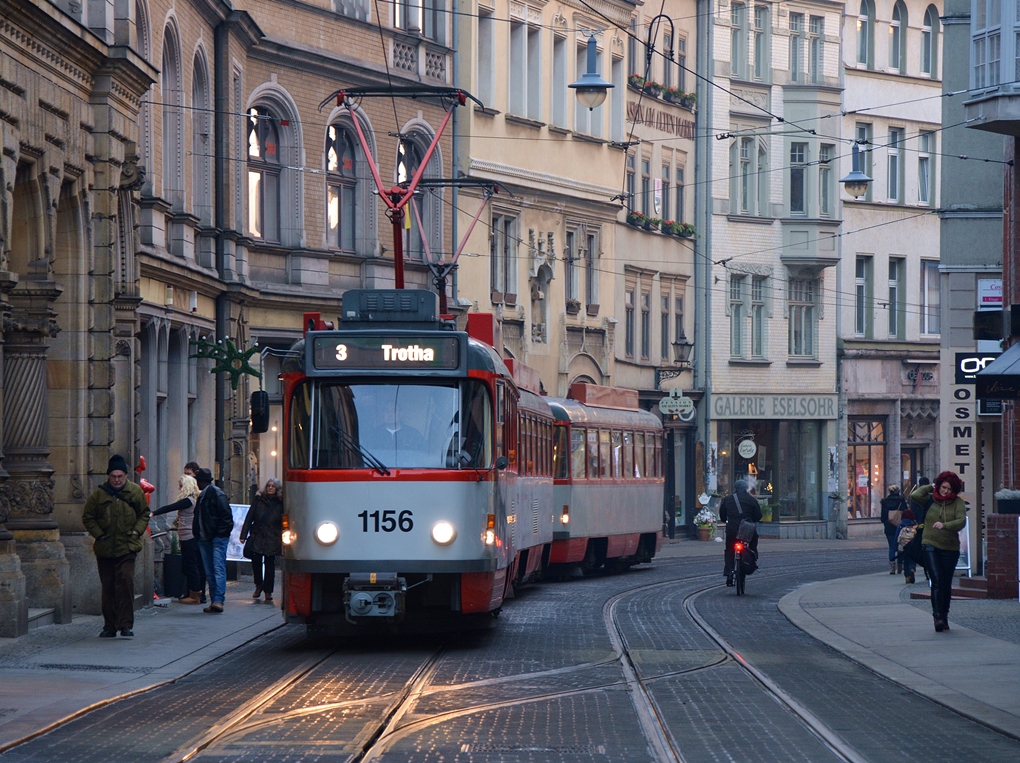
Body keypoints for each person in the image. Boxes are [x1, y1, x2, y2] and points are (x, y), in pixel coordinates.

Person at [82, 454, 151, 638]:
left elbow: (144, 513)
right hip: (105, 548)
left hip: (127, 546)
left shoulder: (134, 491)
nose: (117, 480)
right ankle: (109, 626)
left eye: (120, 476)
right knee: (108, 587)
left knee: (125, 583)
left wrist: (136, 531)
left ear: (126, 476)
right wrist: (99, 534)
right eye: (113, 476)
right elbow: (88, 517)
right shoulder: (99, 494)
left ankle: (126, 624)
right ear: (109, 476)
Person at [911, 471, 967, 633]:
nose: (945, 491)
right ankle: (937, 617)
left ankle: (944, 615)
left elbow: (961, 521)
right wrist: (931, 486)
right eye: (943, 487)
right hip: (930, 544)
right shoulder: (930, 499)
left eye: (949, 489)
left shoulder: (957, 503)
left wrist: (945, 526)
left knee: (945, 583)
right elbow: (915, 495)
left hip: (950, 548)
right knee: (936, 580)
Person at [151, 474, 206, 604]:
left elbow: (170, 507)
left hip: (188, 536)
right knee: (189, 566)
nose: (179, 488)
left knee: (190, 566)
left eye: (181, 485)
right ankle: (192, 592)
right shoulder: (193, 500)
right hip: (188, 536)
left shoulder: (188, 501)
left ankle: (195, 594)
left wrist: (153, 513)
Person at [193, 468, 233, 613]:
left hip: (215, 538)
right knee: (210, 571)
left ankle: (218, 600)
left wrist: (219, 535)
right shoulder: (204, 495)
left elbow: (226, 518)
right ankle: (215, 600)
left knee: (217, 568)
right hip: (206, 538)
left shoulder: (216, 494)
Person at [240, 478, 284, 603]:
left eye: (273, 486)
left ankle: (268, 591)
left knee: (270, 565)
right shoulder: (258, 500)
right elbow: (249, 517)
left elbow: (284, 520)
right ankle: (258, 585)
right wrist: (243, 535)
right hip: (257, 535)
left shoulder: (281, 502)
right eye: (269, 485)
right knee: (256, 563)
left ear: (277, 489)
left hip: (273, 536)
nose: (270, 488)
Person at [719, 479, 762, 586]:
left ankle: (729, 573)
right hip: (747, 530)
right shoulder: (752, 500)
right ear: (746, 489)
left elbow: (722, 515)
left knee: (729, 550)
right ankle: (752, 560)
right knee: (753, 542)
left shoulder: (728, 499)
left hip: (732, 530)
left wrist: (726, 520)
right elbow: (758, 515)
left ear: (735, 488)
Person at [880, 485, 907, 574]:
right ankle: (900, 566)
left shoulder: (885, 502)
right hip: (900, 526)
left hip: (889, 527)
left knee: (891, 547)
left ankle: (892, 568)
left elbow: (883, 517)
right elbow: (906, 512)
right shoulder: (901, 501)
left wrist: (887, 522)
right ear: (897, 491)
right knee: (900, 546)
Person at [896, 508, 918, 584]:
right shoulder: (915, 525)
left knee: (905, 561)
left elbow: (897, 537)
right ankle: (912, 569)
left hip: (904, 546)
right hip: (913, 546)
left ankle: (907, 577)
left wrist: (896, 546)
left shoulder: (901, 525)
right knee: (912, 560)